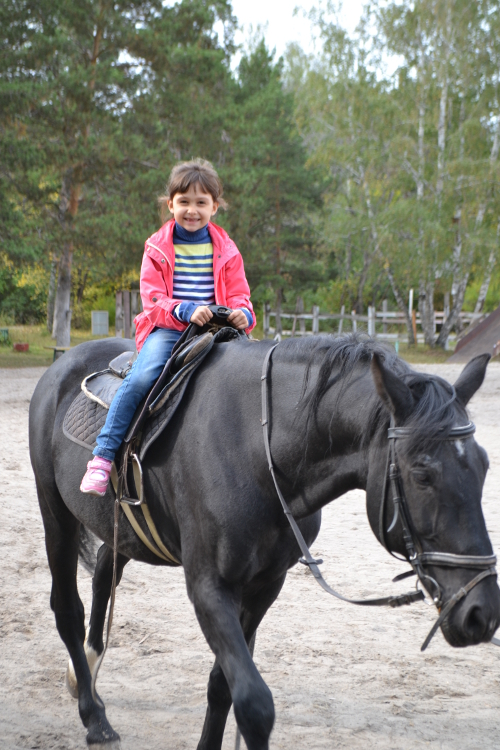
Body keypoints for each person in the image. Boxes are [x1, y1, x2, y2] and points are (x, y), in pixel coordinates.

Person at [80, 159, 255, 496]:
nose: (192, 210)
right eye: (184, 202)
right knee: (142, 378)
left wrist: (243, 314)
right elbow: (153, 299)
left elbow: (239, 293)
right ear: (170, 203)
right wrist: (184, 309)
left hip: (219, 329)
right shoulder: (157, 247)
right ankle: (102, 458)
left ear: (214, 207)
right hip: (172, 328)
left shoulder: (228, 250)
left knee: (256, 374)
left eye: (201, 202)